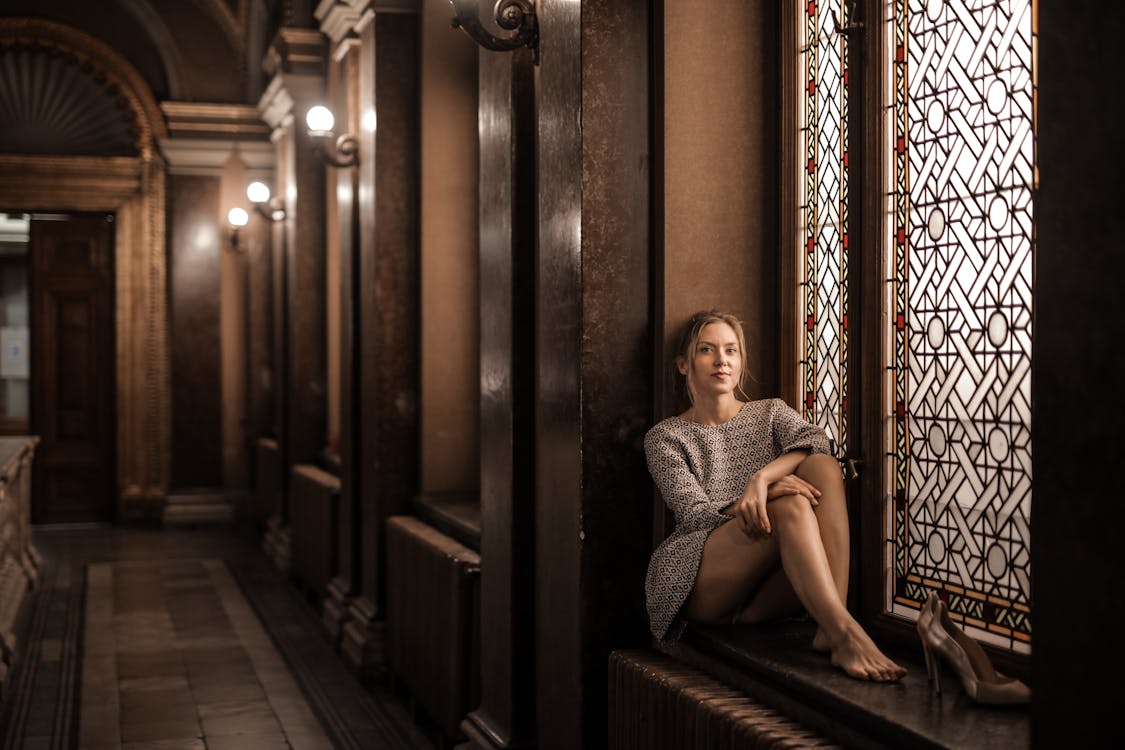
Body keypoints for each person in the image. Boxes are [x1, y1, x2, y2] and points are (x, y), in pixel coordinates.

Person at [644, 310, 906, 682]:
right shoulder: (665, 437)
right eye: (707, 350)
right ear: (684, 365)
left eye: (731, 350)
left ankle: (831, 623)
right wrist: (763, 501)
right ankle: (845, 633)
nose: (722, 360)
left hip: (767, 588)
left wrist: (762, 480)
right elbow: (695, 517)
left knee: (823, 467)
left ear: (741, 360)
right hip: (701, 575)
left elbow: (819, 443)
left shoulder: (769, 413)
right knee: (791, 505)